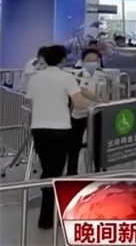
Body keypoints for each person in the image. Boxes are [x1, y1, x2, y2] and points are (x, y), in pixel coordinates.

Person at [27, 45, 94, 229]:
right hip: (61, 129)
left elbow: (31, 99)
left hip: (39, 128)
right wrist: (89, 104)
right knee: (55, 171)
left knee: (48, 169)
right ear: (63, 60)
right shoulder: (67, 78)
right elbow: (79, 103)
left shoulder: (35, 78)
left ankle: (46, 215)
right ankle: (49, 215)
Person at [66, 48, 108, 175]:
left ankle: (98, 168)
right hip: (78, 114)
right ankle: (71, 171)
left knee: (98, 143)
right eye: (88, 60)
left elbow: (105, 96)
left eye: (95, 60)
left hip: (96, 113)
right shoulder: (77, 76)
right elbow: (78, 94)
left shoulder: (102, 76)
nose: (92, 63)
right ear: (83, 61)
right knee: (74, 144)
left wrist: (103, 100)